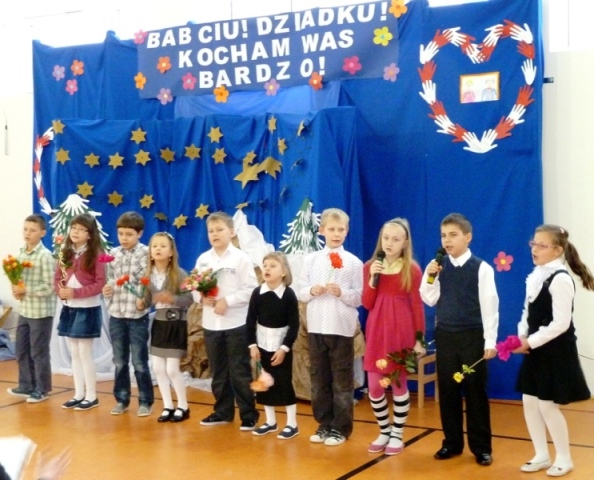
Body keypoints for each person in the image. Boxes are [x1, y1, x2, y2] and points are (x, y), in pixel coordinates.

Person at [512, 225, 592, 477]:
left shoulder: (561, 279)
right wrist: (522, 335)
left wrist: (530, 342)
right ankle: (541, 455)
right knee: (529, 401)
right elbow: (527, 312)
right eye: (533, 244)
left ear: (557, 250)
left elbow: (561, 323)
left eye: (541, 245)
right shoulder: (537, 275)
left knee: (547, 405)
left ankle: (564, 458)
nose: (534, 249)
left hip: (555, 351)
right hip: (535, 348)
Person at [419, 213, 499, 466]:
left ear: (468, 237)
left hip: (472, 337)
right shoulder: (438, 265)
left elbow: (490, 307)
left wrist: (490, 341)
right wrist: (430, 276)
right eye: (443, 235)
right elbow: (429, 298)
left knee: (475, 392)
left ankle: (481, 447)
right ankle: (452, 443)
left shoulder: (482, 268)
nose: (447, 240)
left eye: (453, 235)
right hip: (446, 336)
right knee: (448, 391)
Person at [298, 208, 363, 446]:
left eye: (341, 229)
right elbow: (300, 291)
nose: (336, 234)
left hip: (341, 330)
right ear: (322, 230)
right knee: (319, 381)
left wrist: (342, 292)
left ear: (347, 231)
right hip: (316, 328)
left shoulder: (354, 263)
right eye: (332, 229)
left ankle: (341, 428)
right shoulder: (311, 260)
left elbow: (359, 297)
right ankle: (324, 424)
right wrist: (311, 290)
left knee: (341, 382)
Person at [362, 218, 426, 455]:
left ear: (405, 243)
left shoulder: (412, 269)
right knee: (374, 386)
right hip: (377, 330)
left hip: (401, 331)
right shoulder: (370, 267)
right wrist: (372, 280)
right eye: (386, 238)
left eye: (395, 239)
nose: (389, 243)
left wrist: (419, 340)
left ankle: (397, 433)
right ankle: (384, 430)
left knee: (398, 384)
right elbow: (367, 303)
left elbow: (417, 306)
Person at [195, 211, 260, 431]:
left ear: (231, 232)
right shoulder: (203, 259)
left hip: (236, 323)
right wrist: (200, 297)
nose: (215, 234)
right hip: (211, 323)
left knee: (240, 370)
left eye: (220, 230)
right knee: (218, 371)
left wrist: (228, 301)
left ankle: (248, 414)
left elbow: (251, 289)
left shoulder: (241, 258)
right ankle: (222, 412)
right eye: (211, 231)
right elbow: (194, 286)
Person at [137, 232, 193, 423]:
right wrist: (142, 303)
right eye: (154, 246)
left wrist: (172, 299)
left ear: (171, 252)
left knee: (172, 369)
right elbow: (147, 299)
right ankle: (168, 405)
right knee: (158, 368)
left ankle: (183, 406)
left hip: (176, 324)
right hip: (159, 324)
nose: (158, 249)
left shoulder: (180, 274)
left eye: (162, 246)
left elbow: (189, 299)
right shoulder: (148, 276)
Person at [102, 211, 153, 417]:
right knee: (119, 361)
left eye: (129, 234)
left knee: (139, 361)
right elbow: (110, 280)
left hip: (137, 315)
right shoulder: (113, 254)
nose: (124, 238)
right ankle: (122, 400)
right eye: (121, 234)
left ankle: (145, 401)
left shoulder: (146, 253)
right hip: (117, 314)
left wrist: (144, 300)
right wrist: (107, 290)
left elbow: (148, 282)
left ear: (139, 233)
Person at [55, 213, 106, 411]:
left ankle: (92, 395)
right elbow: (58, 277)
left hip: (87, 308)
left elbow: (100, 283)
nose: (75, 232)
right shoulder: (66, 252)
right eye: (73, 228)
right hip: (70, 307)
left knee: (84, 353)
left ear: (90, 234)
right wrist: (61, 291)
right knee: (74, 352)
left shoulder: (96, 254)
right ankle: (78, 393)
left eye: (81, 229)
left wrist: (76, 293)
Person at [247, 252, 300, 440]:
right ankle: (270, 422)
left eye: (273, 266)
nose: (267, 269)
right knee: (264, 383)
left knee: (284, 384)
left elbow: (294, 325)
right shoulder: (257, 293)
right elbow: (250, 320)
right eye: (265, 265)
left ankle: (292, 424)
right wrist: (252, 345)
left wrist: (284, 348)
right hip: (262, 346)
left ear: (283, 272)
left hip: (281, 348)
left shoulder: (288, 295)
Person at [7, 214, 56, 403]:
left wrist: (26, 290)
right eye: (25, 229)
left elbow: (49, 287)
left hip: (41, 312)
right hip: (25, 310)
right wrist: (16, 290)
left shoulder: (45, 256)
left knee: (38, 351)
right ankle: (26, 385)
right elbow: (19, 280)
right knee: (21, 349)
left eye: (33, 230)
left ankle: (42, 389)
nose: (27, 233)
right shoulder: (21, 253)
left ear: (42, 233)